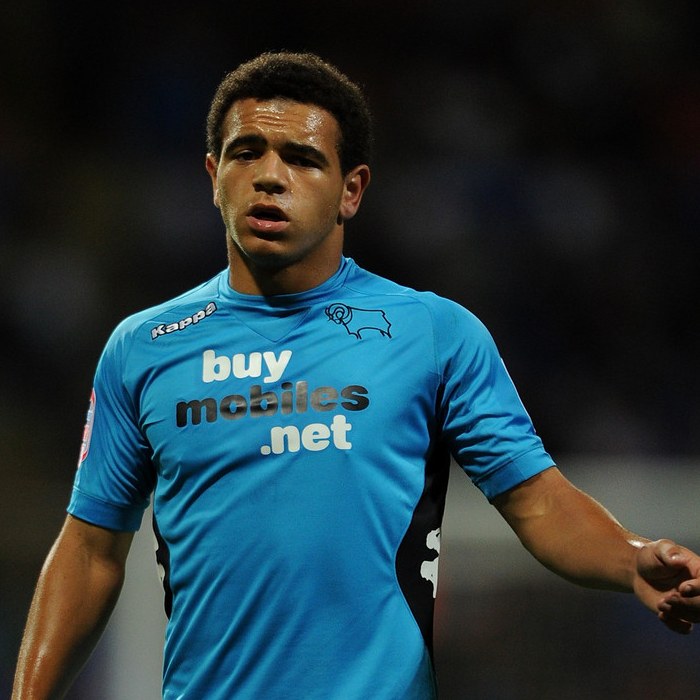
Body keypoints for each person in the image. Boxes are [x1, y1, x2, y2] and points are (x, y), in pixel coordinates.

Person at [12, 51, 700, 700]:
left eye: (302, 158)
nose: (270, 175)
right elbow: (90, 550)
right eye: (247, 152)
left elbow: (539, 502)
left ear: (351, 190)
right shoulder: (143, 348)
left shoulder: (433, 333)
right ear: (213, 174)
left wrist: (630, 557)